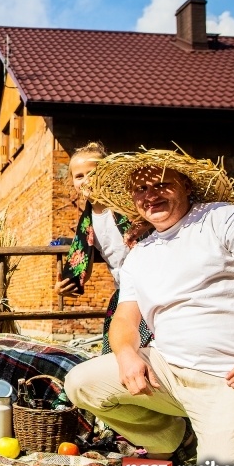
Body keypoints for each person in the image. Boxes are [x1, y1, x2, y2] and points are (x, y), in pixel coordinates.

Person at [64, 148, 234, 466]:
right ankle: (168, 438)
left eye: (161, 184)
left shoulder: (225, 219)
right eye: (140, 190)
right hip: (169, 372)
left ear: (185, 185)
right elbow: (125, 318)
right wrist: (125, 354)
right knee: (81, 382)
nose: (150, 195)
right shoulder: (141, 252)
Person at [55, 142, 152, 354]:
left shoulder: (130, 206)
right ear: (72, 181)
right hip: (124, 293)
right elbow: (82, 266)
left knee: (150, 352)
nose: (86, 180)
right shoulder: (87, 222)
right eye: (79, 176)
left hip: (153, 289)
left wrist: (144, 222)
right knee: (118, 354)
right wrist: (66, 285)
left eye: (93, 173)